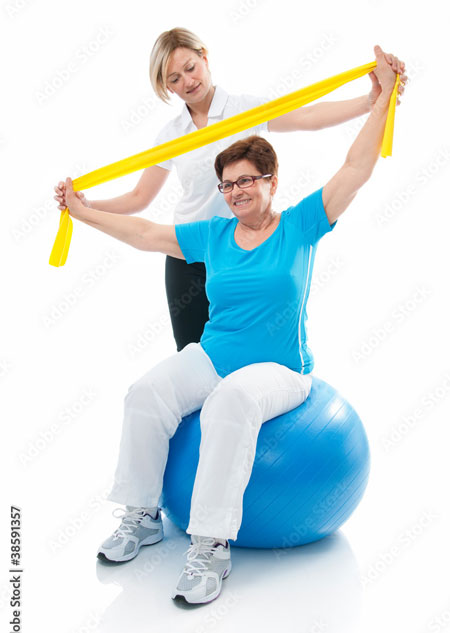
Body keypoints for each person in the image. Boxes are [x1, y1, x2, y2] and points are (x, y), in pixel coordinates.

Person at [62, 43, 404, 605]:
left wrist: (382, 98)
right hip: (215, 354)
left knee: (229, 403)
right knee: (144, 393)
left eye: (248, 180)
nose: (238, 191)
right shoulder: (215, 236)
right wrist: (84, 211)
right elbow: (147, 235)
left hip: (280, 368)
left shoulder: (301, 225)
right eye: (229, 184)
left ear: (271, 180)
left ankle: (210, 547)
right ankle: (141, 515)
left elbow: (356, 167)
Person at [54, 27, 407, 353]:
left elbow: (306, 117)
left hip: (243, 252)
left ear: (204, 58)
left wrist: (371, 102)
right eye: (174, 79)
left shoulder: (243, 109)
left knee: (248, 353)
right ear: (168, 88)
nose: (187, 82)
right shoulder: (171, 135)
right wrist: (85, 204)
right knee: (194, 356)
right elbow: (138, 198)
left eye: (190, 68)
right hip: (188, 254)